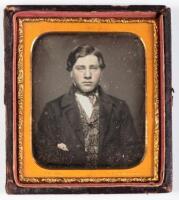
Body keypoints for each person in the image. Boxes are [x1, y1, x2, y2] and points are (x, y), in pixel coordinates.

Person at [33, 45, 144, 169]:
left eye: (93, 68)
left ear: (101, 72)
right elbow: (43, 154)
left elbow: (133, 152)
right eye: (80, 68)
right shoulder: (53, 109)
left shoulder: (119, 107)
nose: (87, 75)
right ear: (71, 72)